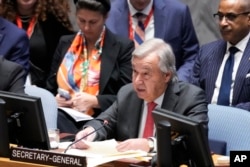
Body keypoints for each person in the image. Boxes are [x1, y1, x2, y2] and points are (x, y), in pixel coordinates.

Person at [73, 38, 208, 153]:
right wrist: (90, 131)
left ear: (166, 75)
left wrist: (150, 144)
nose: (137, 81)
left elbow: (194, 143)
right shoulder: (127, 94)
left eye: (145, 73)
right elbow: (105, 122)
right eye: (135, 71)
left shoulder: (191, 98)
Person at [46, 0, 134, 133]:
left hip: (101, 121)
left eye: (93, 22)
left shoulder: (123, 47)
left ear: (105, 18)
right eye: (81, 20)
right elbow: (50, 86)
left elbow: (128, 96)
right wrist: (54, 100)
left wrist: (96, 101)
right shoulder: (65, 42)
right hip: (62, 116)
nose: (86, 27)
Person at [105, 0, 199, 82]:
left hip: (167, 91)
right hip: (121, 93)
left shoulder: (177, 12)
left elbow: (192, 56)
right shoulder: (107, 15)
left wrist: (176, 83)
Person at [190, 0, 250, 111]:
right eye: (220, 16)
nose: (223, 23)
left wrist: (224, 116)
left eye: (231, 17)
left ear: (248, 19)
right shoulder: (206, 52)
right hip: (205, 122)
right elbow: (193, 94)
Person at [0, 0, 74, 88]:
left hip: (43, 88)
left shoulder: (55, 19)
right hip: (7, 86)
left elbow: (63, 61)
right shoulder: (3, 21)